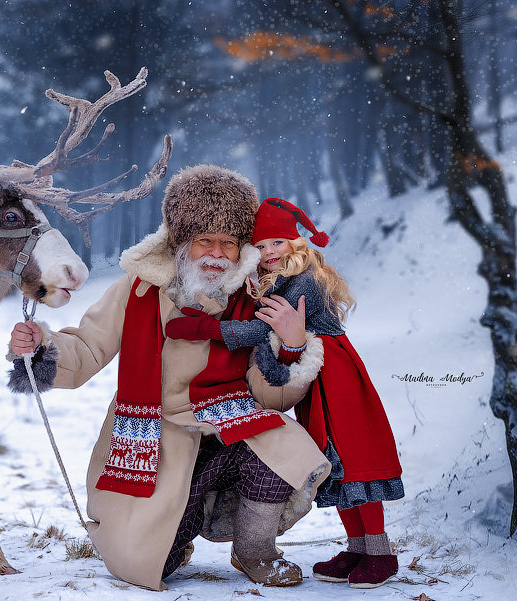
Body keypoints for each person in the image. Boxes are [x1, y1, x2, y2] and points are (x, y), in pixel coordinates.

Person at [7, 165, 330, 590]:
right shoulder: (137, 289)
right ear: (182, 243)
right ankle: (179, 527)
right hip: (156, 438)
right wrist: (42, 347)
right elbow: (87, 348)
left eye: (228, 243)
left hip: (229, 429)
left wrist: (289, 347)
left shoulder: (256, 299)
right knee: (153, 565)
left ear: (241, 249)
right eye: (204, 240)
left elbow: (272, 398)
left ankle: (255, 550)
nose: (216, 253)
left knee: (282, 446)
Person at [166, 197, 404, 589]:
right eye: (259, 247)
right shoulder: (278, 282)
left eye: (277, 243)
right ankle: (358, 546)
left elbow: (264, 331)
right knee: (333, 461)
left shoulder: (305, 282)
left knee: (354, 456)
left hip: (336, 375)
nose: (268, 253)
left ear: (296, 243)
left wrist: (201, 329)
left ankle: (379, 552)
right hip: (314, 377)